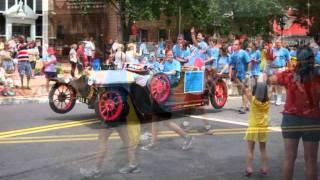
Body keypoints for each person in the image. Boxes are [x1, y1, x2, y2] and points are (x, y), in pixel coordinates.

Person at [268, 46, 320, 180]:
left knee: (289, 157)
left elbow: (271, 79)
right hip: (312, 120)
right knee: (311, 160)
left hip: (291, 119)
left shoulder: (290, 75)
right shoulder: (317, 77)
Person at [244, 77, 270, 177]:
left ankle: (249, 168)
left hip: (253, 127)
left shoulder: (253, 100)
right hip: (263, 127)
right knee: (263, 149)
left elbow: (245, 89)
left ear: (255, 90)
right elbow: (270, 89)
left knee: (251, 149)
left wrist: (238, 80)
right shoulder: (267, 102)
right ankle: (264, 168)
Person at [229, 39, 251, 114]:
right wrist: (233, 75)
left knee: (245, 90)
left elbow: (249, 63)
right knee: (243, 91)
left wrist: (247, 73)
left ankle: (244, 107)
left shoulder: (243, 53)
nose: (234, 46)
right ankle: (248, 104)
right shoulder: (233, 55)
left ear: (239, 46)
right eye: (233, 44)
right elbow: (234, 66)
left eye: (236, 44)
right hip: (238, 76)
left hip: (244, 75)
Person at [270, 38, 290, 106]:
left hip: (281, 69)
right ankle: (277, 96)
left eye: (278, 43)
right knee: (275, 83)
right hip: (273, 68)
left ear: (281, 43)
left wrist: (289, 69)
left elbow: (288, 60)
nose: (277, 44)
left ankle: (279, 98)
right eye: (276, 43)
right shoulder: (272, 50)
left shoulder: (285, 50)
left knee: (280, 84)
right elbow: (269, 59)